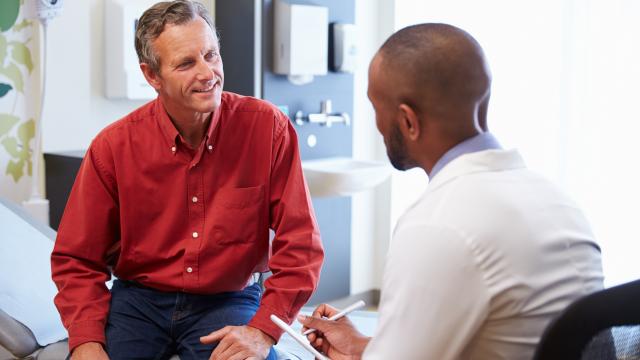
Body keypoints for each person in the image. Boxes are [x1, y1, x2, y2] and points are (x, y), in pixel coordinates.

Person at [298, 23, 604, 359]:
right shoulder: (557, 202)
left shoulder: (438, 224)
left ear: (408, 121)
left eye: (375, 107)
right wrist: (362, 349)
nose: (376, 126)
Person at [51, 1, 323, 359]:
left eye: (211, 55)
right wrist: (86, 342)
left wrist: (263, 331)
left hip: (227, 299)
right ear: (152, 76)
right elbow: (76, 259)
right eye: (186, 63)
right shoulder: (113, 147)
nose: (207, 72)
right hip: (139, 302)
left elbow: (301, 244)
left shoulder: (268, 129)